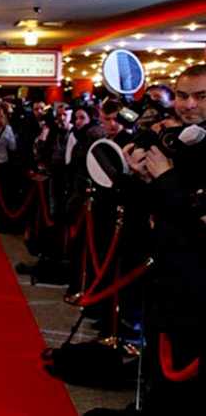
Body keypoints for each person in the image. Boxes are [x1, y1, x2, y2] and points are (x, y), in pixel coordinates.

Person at [124, 65, 206, 414]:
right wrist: (144, 179)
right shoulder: (182, 143)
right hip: (169, 284)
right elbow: (162, 210)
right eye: (183, 96)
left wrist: (166, 179)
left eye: (201, 96)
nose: (189, 105)